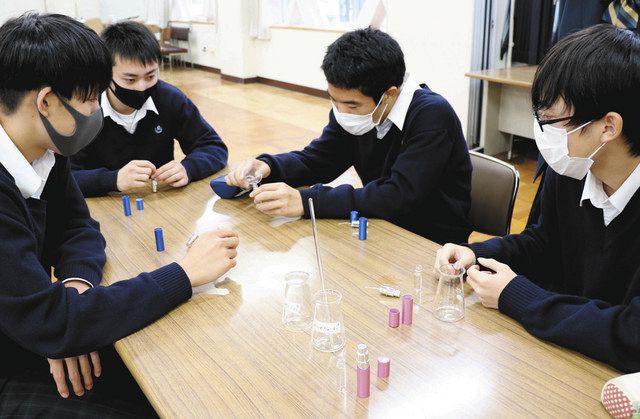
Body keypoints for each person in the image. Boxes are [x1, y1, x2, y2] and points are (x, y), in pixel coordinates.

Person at [0, 13, 239, 415]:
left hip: (35, 332)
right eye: (91, 99)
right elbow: (49, 321)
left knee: (166, 372)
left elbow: (79, 227)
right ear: (45, 102)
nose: (97, 111)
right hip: (12, 362)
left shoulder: (46, 150)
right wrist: (184, 273)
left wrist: (76, 289)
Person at [435, 24, 640, 372]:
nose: (541, 132)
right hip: (563, 354)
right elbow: (543, 243)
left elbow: (632, 335)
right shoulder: (572, 169)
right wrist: (476, 253)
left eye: (551, 120)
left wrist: (515, 295)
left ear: (609, 126)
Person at [226, 27, 472, 244]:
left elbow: (398, 194)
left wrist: (306, 201)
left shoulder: (432, 116)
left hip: (430, 241)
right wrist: (268, 166)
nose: (342, 112)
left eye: (352, 105)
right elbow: (318, 160)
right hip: (381, 224)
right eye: (334, 100)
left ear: (390, 95)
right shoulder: (352, 114)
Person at [71, 21, 228, 197]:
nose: (141, 87)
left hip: (160, 200)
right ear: (106, 74)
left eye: (151, 76)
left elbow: (214, 147)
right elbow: (64, 177)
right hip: (102, 207)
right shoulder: (85, 108)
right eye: (130, 80)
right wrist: (112, 179)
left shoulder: (170, 99)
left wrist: (188, 168)